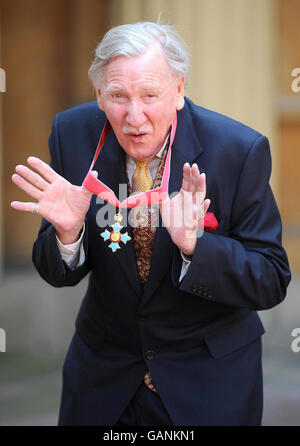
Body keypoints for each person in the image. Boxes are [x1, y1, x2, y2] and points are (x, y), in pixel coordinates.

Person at [11, 22, 291, 426]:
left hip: (207, 382)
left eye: (150, 95)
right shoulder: (72, 135)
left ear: (179, 90)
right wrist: (68, 234)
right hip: (104, 380)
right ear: (99, 96)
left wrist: (196, 245)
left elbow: (271, 277)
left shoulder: (237, 150)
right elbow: (56, 272)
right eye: (118, 97)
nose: (133, 116)